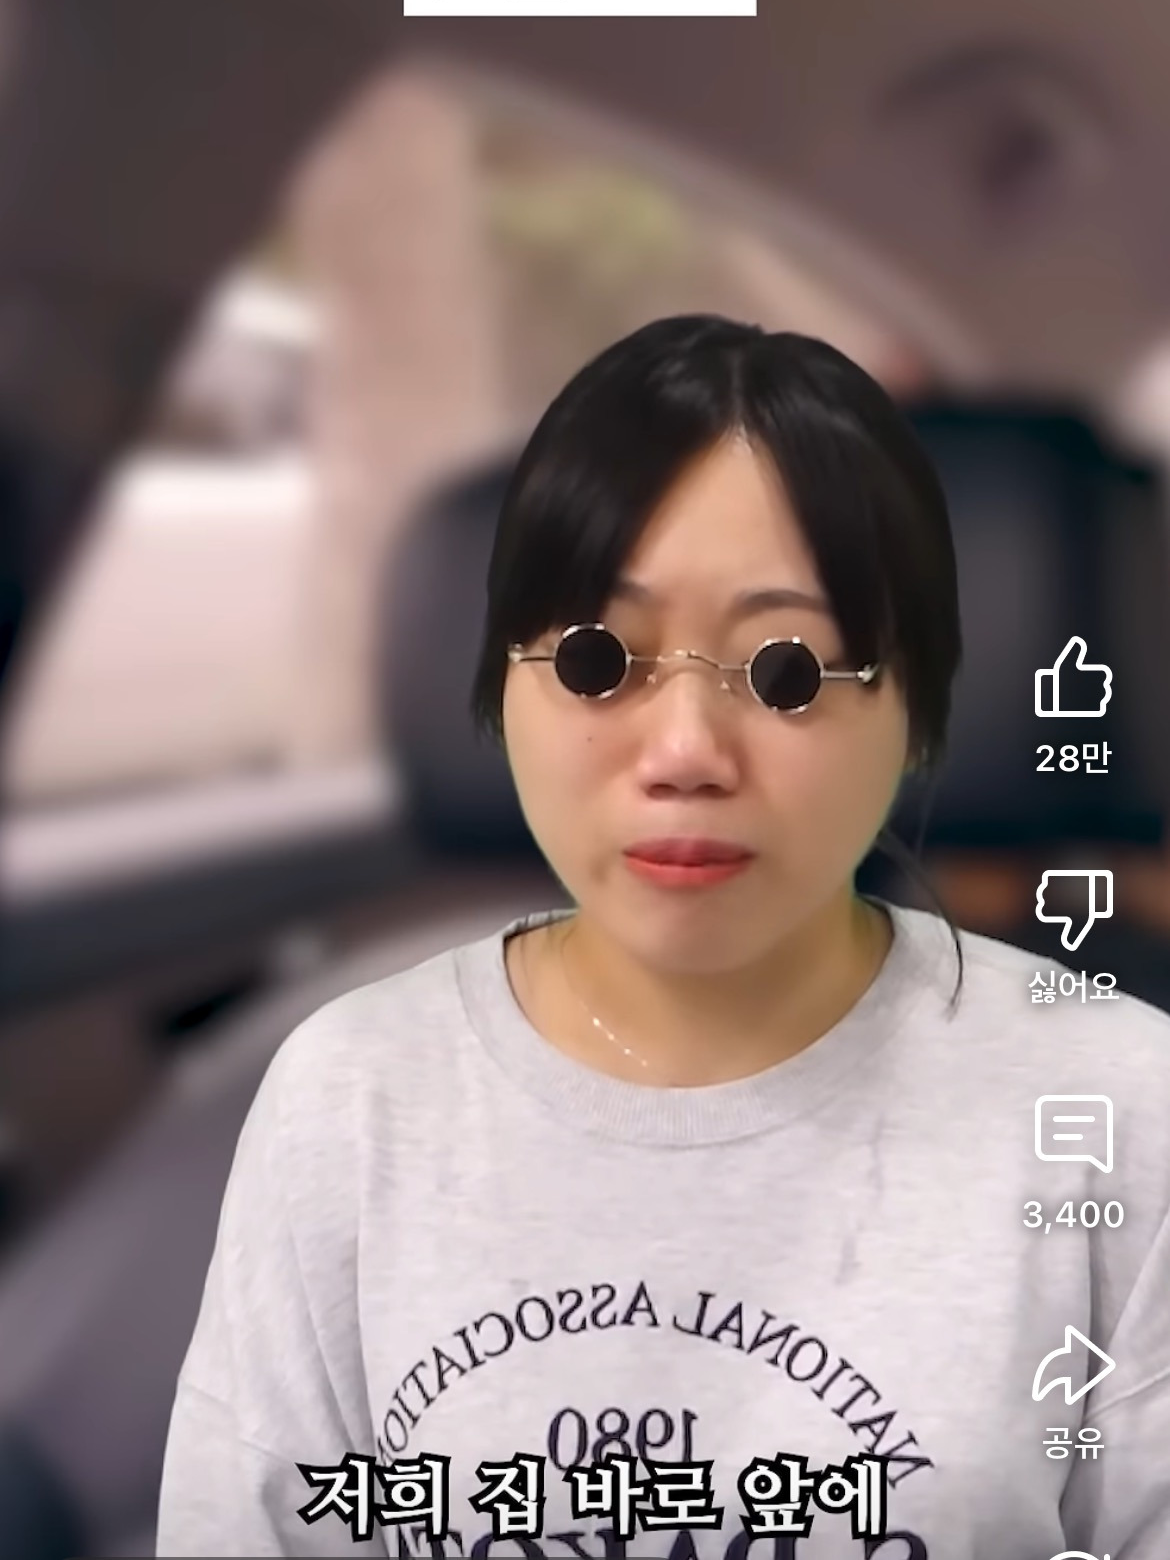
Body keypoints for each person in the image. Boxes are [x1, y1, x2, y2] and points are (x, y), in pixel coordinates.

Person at [156, 316, 1170, 1559]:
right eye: (597, 661)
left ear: (916, 708)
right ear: (499, 692)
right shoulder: (353, 1096)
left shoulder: (1115, 1110)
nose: (686, 751)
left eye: (787, 668)